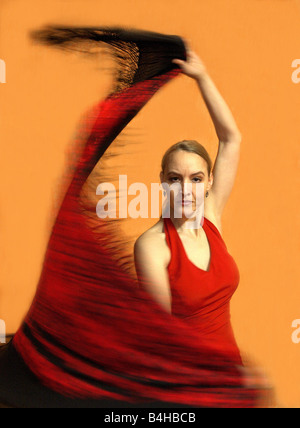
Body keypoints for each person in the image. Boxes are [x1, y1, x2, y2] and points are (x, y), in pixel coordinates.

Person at [134, 43, 244, 365]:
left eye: (196, 179)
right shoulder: (153, 246)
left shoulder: (210, 217)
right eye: (175, 179)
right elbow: (163, 340)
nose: (186, 189)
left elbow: (231, 138)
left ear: (209, 182)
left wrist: (201, 77)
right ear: (162, 182)